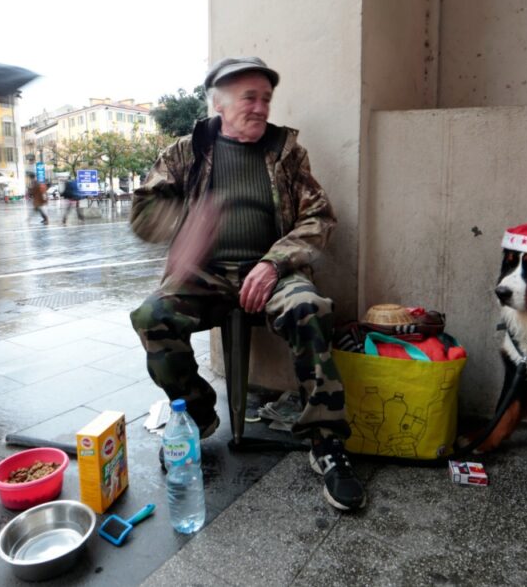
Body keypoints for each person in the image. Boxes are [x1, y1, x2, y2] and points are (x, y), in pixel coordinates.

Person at [129, 56, 366, 511]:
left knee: (311, 309)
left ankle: (327, 442)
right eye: (249, 98)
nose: (260, 108)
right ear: (219, 103)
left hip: (272, 271)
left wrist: (275, 262)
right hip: (203, 277)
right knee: (150, 316)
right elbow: (142, 215)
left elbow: (320, 217)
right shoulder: (186, 151)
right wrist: (187, 220)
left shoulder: (287, 153)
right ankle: (197, 416)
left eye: (266, 99)